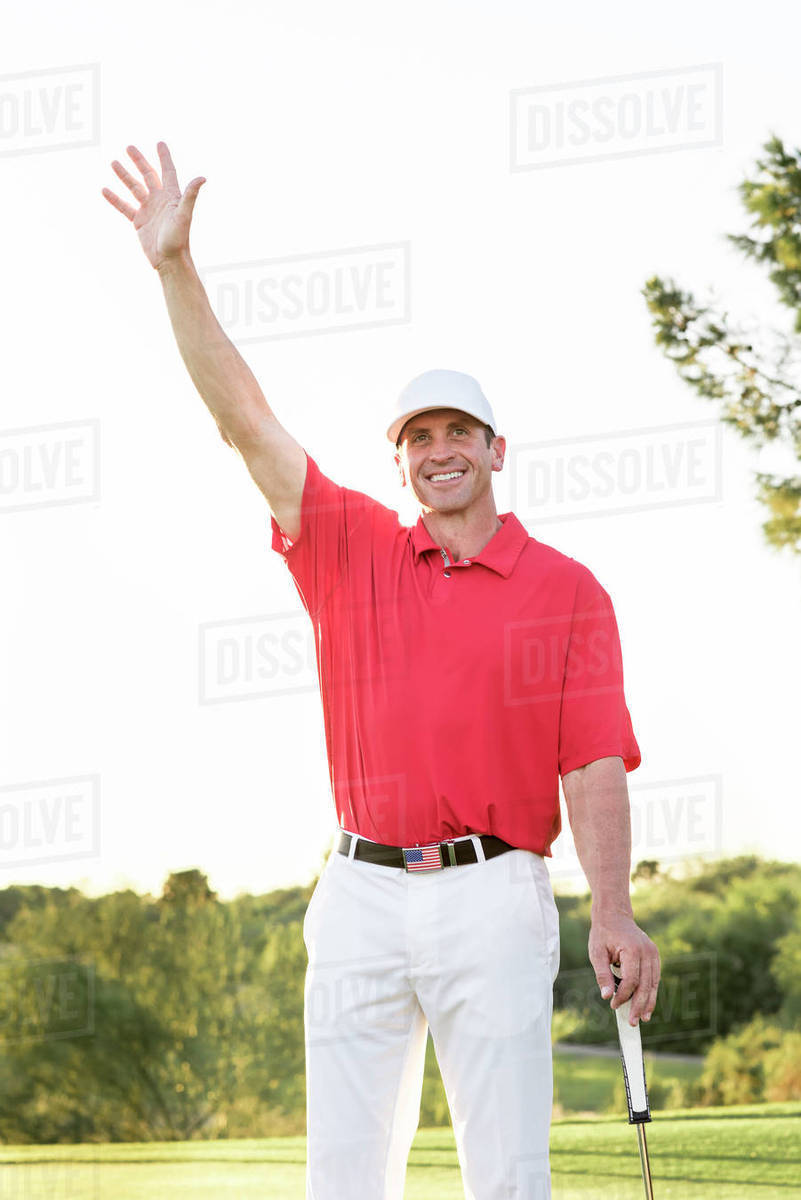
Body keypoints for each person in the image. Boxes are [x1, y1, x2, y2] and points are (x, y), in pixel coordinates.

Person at [102, 142, 661, 1200]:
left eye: (460, 432)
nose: (439, 450)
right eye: (418, 437)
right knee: (346, 1179)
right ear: (398, 460)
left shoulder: (567, 589)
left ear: (498, 450)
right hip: (357, 892)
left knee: (506, 1174)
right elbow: (243, 423)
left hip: (495, 889)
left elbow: (592, 763)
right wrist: (174, 268)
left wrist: (614, 910)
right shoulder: (348, 545)